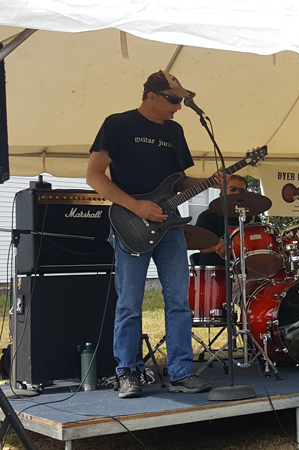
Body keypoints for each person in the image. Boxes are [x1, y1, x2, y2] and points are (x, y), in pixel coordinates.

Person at [87, 70, 214, 398]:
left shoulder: (175, 131)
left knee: (179, 302)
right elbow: (94, 176)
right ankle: (127, 373)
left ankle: (181, 372)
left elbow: (179, 181)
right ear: (151, 96)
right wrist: (136, 206)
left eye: (181, 101)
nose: (179, 106)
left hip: (170, 227)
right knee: (130, 302)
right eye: (173, 99)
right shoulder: (117, 124)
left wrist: (213, 182)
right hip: (130, 224)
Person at [193, 174, 251, 267]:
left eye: (242, 191)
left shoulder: (251, 218)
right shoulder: (208, 216)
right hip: (215, 271)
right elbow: (199, 245)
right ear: (223, 191)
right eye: (232, 189)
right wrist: (217, 247)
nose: (237, 193)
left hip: (246, 269)